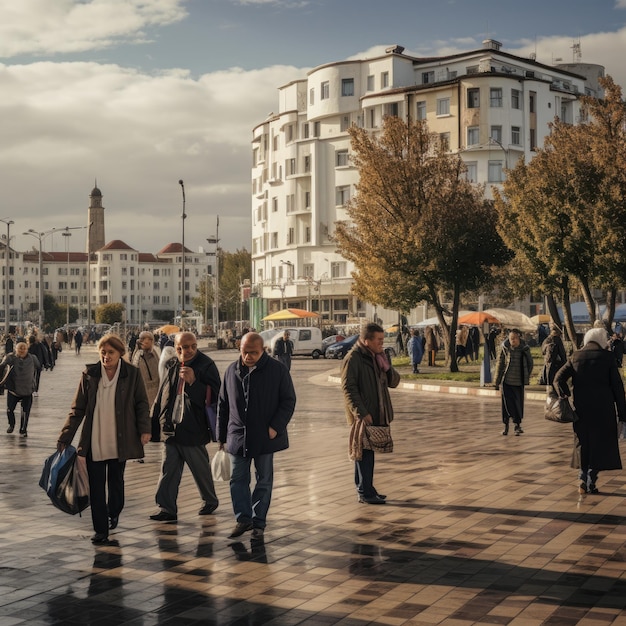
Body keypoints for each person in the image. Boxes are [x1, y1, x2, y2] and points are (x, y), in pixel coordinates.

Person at [56, 333, 151, 544]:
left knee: (116, 483)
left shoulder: (132, 374)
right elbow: (77, 408)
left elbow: (142, 404)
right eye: (103, 352)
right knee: (97, 487)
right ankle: (100, 530)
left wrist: (145, 429)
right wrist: (65, 436)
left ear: (120, 353)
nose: (106, 356)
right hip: (95, 440)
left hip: (121, 439)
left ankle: (113, 511)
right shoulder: (90, 374)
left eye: (110, 352)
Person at [218, 332, 296, 539]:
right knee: (237, 479)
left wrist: (275, 427)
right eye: (245, 352)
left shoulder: (277, 370)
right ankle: (243, 519)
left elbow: (288, 401)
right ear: (239, 349)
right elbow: (223, 404)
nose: (248, 357)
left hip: (265, 436)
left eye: (254, 353)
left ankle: (259, 521)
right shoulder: (231, 371)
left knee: (264, 480)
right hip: (238, 436)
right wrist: (221, 436)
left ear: (263, 350)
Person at [150, 331, 221, 523]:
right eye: (182, 348)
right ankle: (166, 508)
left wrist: (194, 383)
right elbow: (163, 394)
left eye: (191, 347)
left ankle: (210, 500)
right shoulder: (173, 364)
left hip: (193, 428)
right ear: (176, 347)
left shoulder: (206, 365)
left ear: (196, 346)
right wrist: (154, 420)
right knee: (168, 469)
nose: (187, 351)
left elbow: (216, 397)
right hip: (171, 428)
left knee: (200, 469)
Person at [554, 327, 626, 495]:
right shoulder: (608, 358)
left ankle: (582, 478)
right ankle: (591, 480)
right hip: (604, 411)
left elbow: (558, 378)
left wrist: (564, 395)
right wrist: (623, 414)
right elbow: (617, 387)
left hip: (581, 410)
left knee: (583, 443)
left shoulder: (576, 356)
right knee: (600, 445)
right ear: (601, 340)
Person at [341, 323, 400, 504]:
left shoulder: (377, 357)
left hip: (377, 412)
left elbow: (394, 382)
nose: (382, 343)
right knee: (363, 453)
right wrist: (361, 412)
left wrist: (387, 367)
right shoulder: (354, 358)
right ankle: (364, 492)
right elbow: (348, 388)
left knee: (369, 452)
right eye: (379, 340)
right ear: (367, 341)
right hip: (363, 415)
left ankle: (368, 488)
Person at [494, 329, 533, 436]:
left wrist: (526, 375)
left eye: (514, 338)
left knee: (518, 405)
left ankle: (517, 425)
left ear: (519, 338)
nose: (513, 341)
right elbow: (500, 364)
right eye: (511, 339)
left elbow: (530, 364)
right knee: (506, 405)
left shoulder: (524, 349)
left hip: (519, 382)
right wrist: (497, 382)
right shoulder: (505, 348)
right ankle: (506, 426)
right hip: (506, 382)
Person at [0, 341, 41, 437]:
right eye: (20, 349)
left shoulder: (33, 358)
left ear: (27, 350)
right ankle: (11, 424)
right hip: (13, 390)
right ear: (16, 349)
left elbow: (39, 367)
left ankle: (23, 429)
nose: (22, 350)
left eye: (24, 349)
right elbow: (2, 367)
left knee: (25, 412)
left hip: (27, 390)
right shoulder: (10, 358)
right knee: (10, 410)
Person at [131, 331, 161, 408]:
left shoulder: (156, 352)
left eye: (150, 339)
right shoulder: (137, 355)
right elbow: (134, 369)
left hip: (157, 391)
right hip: (143, 392)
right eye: (143, 339)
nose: (146, 341)